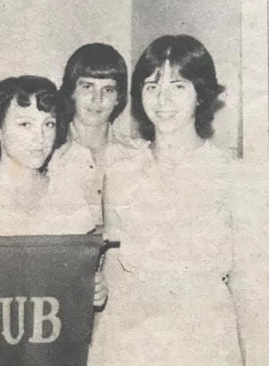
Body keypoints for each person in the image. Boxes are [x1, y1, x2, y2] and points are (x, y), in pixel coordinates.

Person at [90, 35, 267, 365]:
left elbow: (250, 288)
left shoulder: (233, 175)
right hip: (129, 337)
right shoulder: (120, 174)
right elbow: (113, 266)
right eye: (152, 86)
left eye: (178, 86)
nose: (163, 100)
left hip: (203, 337)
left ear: (201, 94)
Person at [0, 75, 106, 306]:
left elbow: (81, 275)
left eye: (48, 124)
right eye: (25, 124)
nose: (39, 138)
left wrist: (96, 287)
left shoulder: (67, 195)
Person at [48, 43, 146, 226]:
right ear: (71, 91)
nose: (97, 99)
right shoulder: (49, 155)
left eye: (108, 90)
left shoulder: (138, 154)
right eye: (87, 87)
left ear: (118, 98)